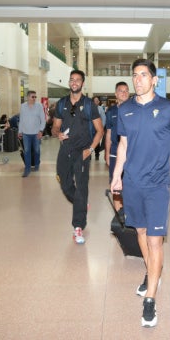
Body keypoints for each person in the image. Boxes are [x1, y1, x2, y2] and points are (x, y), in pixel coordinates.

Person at [110, 59, 170, 328]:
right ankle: (152, 272)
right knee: (142, 234)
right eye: (135, 76)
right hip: (133, 182)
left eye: (143, 75)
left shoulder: (168, 108)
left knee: (156, 240)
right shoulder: (125, 109)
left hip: (158, 184)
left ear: (155, 79)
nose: (138, 80)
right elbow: (122, 145)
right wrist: (116, 176)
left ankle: (150, 299)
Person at [52, 70, 104, 244]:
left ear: (82, 84)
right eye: (72, 80)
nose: (74, 82)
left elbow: (100, 131)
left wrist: (90, 149)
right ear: (69, 82)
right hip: (65, 150)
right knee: (65, 184)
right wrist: (58, 133)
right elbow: (55, 127)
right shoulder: (61, 103)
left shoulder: (89, 105)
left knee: (81, 187)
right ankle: (81, 203)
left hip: (82, 152)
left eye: (78, 80)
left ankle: (78, 226)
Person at [104, 81, 129, 212]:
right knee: (115, 182)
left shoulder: (134, 109)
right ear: (116, 93)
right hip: (114, 152)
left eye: (126, 90)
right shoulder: (111, 111)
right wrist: (107, 154)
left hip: (131, 153)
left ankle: (130, 213)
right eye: (121, 90)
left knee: (130, 184)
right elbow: (108, 133)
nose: (124, 93)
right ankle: (119, 215)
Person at [18, 91, 46, 177]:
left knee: (37, 150)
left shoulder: (39, 106)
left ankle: (36, 165)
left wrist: (41, 131)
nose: (34, 98)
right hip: (26, 133)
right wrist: (20, 131)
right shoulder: (23, 106)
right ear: (28, 97)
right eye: (32, 97)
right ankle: (27, 169)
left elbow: (43, 119)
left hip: (36, 133)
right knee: (27, 151)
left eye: (35, 97)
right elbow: (21, 120)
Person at [93, 96, 107, 160]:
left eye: (97, 101)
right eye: (94, 101)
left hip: (97, 128)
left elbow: (103, 118)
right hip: (90, 128)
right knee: (88, 141)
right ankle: (89, 155)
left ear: (99, 102)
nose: (96, 102)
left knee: (97, 141)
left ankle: (97, 154)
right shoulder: (89, 108)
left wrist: (102, 127)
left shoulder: (100, 108)